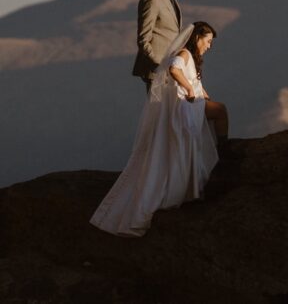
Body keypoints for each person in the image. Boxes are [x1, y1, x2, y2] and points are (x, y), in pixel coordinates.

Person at [91, 21, 229, 237]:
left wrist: (201, 91)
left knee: (217, 111)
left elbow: (193, 79)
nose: (209, 46)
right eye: (208, 41)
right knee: (221, 112)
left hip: (190, 103)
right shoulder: (184, 53)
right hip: (185, 106)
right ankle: (224, 149)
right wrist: (189, 89)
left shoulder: (191, 57)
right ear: (197, 38)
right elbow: (174, 69)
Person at [133, 0, 191, 91]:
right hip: (157, 73)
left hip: (171, 71)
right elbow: (143, 39)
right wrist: (160, 64)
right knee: (158, 106)